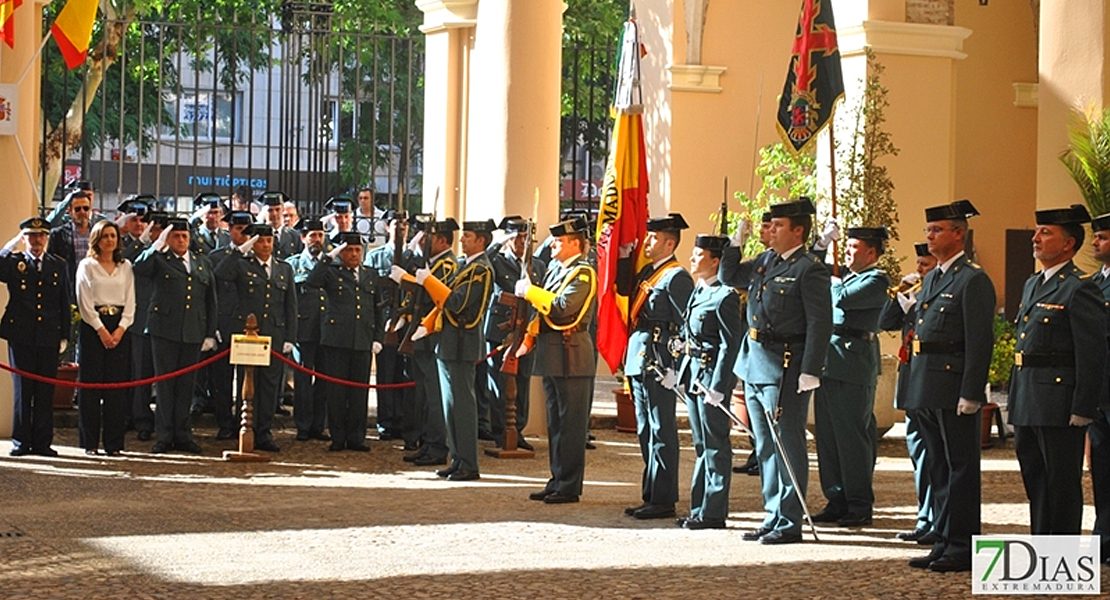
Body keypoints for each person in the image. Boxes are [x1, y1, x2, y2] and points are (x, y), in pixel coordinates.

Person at [719, 198, 832, 545]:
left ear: (798, 230)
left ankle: (789, 519)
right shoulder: (767, 260)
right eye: (771, 224)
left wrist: (811, 368)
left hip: (786, 365)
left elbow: (819, 322)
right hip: (755, 362)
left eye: (779, 225)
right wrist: (734, 245)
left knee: (787, 443)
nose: (771, 230)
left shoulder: (809, 268)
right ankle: (773, 514)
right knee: (765, 445)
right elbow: (728, 276)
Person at [904, 199, 995, 573]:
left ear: (958, 234)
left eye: (937, 229)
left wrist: (972, 392)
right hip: (927, 383)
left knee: (960, 468)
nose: (929, 236)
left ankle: (962, 544)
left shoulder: (972, 279)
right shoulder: (936, 277)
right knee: (938, 468)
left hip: (953, 383)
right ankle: (942, 539)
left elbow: (979, 340)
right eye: (928, 230)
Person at [1008, 205, 1105, 535]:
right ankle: (1042, 554)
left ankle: (1060, 557)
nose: (1035, 238)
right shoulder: (1032, 284)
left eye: (1045, 232)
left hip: (1059, 401)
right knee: (1035, 481)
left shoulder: (1080, 287)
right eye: (1037, 232)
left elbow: (1092, 354)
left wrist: (1083, 407)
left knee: (1061, 484)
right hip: (1028, 396)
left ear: (1068, 244)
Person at [396, 219, 495, 481]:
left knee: (462, 406)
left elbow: (455, 302)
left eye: (469, 237)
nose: (462, 240)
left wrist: (429, 282)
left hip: (461, 343)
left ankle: (469, 464)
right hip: (449, 342)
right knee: (451, 406)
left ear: (481, 241)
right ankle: (458, 459)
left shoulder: (481, 271)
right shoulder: (466, 267)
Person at [810, 227, 891, 528]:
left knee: (852, 438)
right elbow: (815, 275)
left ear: (871, 253)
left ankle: (859, 503)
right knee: (828, 437)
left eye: (854, 246)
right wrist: (821, 245)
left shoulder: (876, 280)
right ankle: (836, 498)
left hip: (854, 363)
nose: (847, 250)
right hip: (830, 363)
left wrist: (829, 283)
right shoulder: (846, 276)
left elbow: (841, 299)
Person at [516, 216, 597, 504]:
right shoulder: (555, 270)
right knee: (556, 424)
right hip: (553, 352)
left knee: (572, 425)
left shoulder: (582, 273)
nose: (552, 245)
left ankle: (569, 485)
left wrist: (531, 292)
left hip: (572, 354)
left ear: (575, 244)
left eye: (559, 241)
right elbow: (542, 312)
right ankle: (557, 478)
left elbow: (563, 309)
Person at [622, 214, 694, 521]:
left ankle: (664, 498)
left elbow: (685, 324)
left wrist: (675, 365)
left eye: (653, 238)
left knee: (661, 429)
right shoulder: (649, 272)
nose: (646, 242)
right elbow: (624, 291)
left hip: (658, 359)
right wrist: (623, 257)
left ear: (670, 242)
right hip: (640, 356)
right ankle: (651, 492)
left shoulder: (676, 276)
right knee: (645, 429)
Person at [132, 218, 219, 454]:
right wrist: (155, 246)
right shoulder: (159, 259)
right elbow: (138, 269)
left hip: (193, 331)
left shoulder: (201, 262)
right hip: (164, 331)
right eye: (176, 237)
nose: (181, 241)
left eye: (184, 237)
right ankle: (164, 435)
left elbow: (211, 300)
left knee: (186, 387)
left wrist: (210, 332)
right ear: (168, 239)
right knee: (165, 385)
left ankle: (183, 435)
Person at [674, 233, 741, 529]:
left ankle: (713, 512)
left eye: (699, 255)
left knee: (716, 444)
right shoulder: (699, 292)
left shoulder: (725, 296)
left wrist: (720, 385)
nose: (692, 257)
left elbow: (730, 344)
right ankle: (699, 508)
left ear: (716, 261)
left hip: (710, 377)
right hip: (693, 373)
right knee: (701, 444)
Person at [214, 223, 298, 452]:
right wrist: (243, 248)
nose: (265, 245)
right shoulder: (241, 265)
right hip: (248, 334)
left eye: (269, 241)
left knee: (270, 385)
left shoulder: (284, 269)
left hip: (274, 333)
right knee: (247, 383)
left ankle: (264, 432)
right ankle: (245, 428)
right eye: (260, 241)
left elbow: (290, 305)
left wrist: (290, 335)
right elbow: (220, 273)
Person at [879, 242, 940, 545]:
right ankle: (924, 517)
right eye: (918, 264)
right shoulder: (913, 296)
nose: (919, 270)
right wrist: (902, 298)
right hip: (911, 379)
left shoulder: (938, 298)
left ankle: (936, 518)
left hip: (930, 381)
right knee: (918, 452)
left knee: (934, 455)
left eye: (925, 265)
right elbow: (885, 323)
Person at [0, 217, 72, 457]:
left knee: (44, 391)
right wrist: (9, 247)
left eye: (41, 236)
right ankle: (21, 441)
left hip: (49, 336)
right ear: (25, 238)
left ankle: (42, 442)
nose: (37, 240)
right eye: (31, 236)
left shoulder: (58, 265)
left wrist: (65, 335)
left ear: (47, 238)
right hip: (21, 335)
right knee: (23, 389)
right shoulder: (15, 263)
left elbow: (64, 301)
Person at [306, 231, 382, 452]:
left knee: (359, 391)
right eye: (349, 250)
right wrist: (329, 256)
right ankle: (338, 436)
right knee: (337, 392)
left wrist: (377, 337)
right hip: (337, 340)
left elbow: (378, 309)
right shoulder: (331, 272)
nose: (354, 254)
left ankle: (357, 437)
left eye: (358, 250)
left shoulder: (370, 274)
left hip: (362, 339)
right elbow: (312, 282)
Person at [75, 220, 136, 457]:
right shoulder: (87, 266)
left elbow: (131, 300)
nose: (110, 240)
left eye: (113, 236)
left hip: (119, 326)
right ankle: (90, 442)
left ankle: (114, 443)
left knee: (116, 389)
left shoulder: (126, 266)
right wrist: (101, 329)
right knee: (91, 388)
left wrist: (120, 329)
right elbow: (84, 301)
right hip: (93, 327)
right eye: (105, 236)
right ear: (96, 240)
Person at [484, 216, 545, 452]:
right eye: (516, 237)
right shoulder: (497, 261)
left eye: (524, 237)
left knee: (523, 381)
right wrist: (499, 243)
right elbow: (481, 263)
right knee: (500, 382)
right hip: (501, 331)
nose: (521, 242)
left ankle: (517, 429)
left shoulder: (536, 265)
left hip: (527, 330)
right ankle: (500, 430)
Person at [402, 218, 459, 467]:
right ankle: (427, 443)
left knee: (434, 396)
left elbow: (430, 293)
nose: (425, 241)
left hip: (433, 336)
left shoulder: (446, 264)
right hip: (422, 336)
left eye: (430, 237)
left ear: (443, 241)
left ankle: (437, 447)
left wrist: (407, 278)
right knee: (424, 394)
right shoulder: (432, 263)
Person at [363, 211, 413, 442]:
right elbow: (368, 292)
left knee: (404, 373)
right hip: (385, 322)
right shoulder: (375, 257)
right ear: (386, 227)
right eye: (396, 224)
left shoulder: (413, 257)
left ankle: (404, 419)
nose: (401, 228)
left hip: (408, 323)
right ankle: (386, 421)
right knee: (385, 372)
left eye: (404, 224)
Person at [206, 210, 254, 440]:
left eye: (247, 231)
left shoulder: (256, 257)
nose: (243, 235)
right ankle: (225, 422)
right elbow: (212, 290)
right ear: (229, 229)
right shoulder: (216, 257)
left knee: (248, 378)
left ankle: (245, 421)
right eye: (238, 230)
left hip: (248, 326)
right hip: (224, 325)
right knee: (222, 380)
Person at [286, 218, 331, 442]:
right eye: (312, 236)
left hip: (326, 329)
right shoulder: (292, 265)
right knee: (303, 379)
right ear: (303, 238)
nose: (317, 240)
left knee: (323, 378)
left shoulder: (331, 263)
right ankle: (302, 425)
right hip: (303, 329)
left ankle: (318, 425)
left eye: (320, 235)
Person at [1089, 212, 1110, 565]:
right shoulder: (1093, 283)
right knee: (1103, 467)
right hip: (1100, 388)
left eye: (1103, 237)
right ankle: (1104, 536)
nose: (1095, 242)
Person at [48, 188, 95, 301]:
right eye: (77, 209)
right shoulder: (58, 234)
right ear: (70, 211)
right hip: (68, 291)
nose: (82, 212)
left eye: (85, 208)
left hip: (94, 289)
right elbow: (51, 264)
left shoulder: (98, 232)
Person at [259, 191, 303, 259]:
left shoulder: (295, 236)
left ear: (282, 210)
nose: (274, 214)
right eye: (270, 210)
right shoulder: (257, 235)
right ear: (264, 212)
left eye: (277, 209)